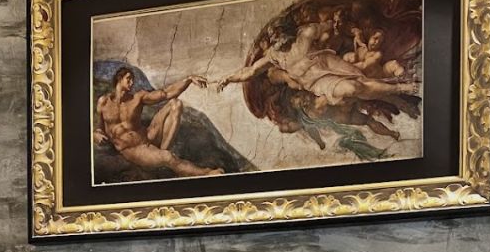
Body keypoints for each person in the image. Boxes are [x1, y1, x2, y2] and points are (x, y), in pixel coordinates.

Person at [217, 18, 419, 110]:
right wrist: (228, 78)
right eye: (273, 36)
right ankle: (398, 90)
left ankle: (402, 88)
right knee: (352, 88)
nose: (275, 38)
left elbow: (331, 25)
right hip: (314, 81)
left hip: (328, 63)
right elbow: (250, 71)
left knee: (362, 80)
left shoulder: (305, 33)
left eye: (277, 33)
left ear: (287, 31)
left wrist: (348, 31)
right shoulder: (273, 56)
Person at [95, 67, 223, 178]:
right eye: (128, 79)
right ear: (119, 79)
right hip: (133, 148)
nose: (132, 82)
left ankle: (163, 152)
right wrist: (95, 134)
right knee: (168, 157)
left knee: (175, 103)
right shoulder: (104, 102)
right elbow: (99, 127)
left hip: (148, 135)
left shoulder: (137, 98)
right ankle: (205, 173)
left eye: (133, 79)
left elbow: (166, 93)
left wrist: (189, 80)